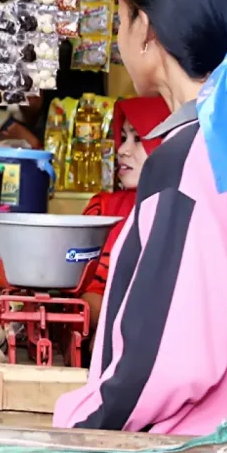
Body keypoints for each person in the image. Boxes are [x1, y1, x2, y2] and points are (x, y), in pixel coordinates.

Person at [53, 0, 227, 440]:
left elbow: (168, 358)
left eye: (121, 20)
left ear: (147, 29)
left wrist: (76, 425)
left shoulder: (188, 160)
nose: (120, 38)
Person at [80, 96, 170, 329]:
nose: (122, 150)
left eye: (138, 139)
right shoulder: (102, 209)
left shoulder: (183, 213)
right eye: (123, 138)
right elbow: (84, 290)